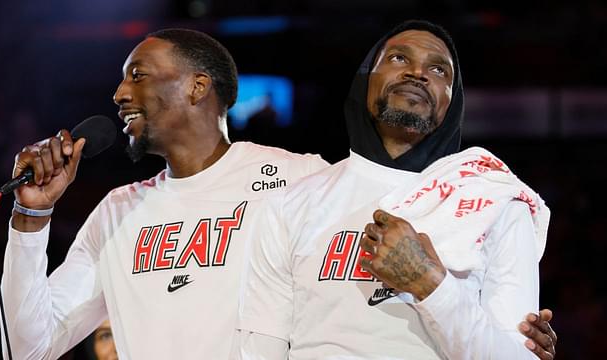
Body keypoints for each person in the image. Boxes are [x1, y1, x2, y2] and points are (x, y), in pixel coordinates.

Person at [0, 29, 328, 359]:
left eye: (137, 75)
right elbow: (27, 350)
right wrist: (31, 217)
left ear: (196, 87)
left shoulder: (298, 179)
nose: (119, 94)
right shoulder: (117, 212)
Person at [238, 20, 557, 359]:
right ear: (365, 80)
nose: (417, 73)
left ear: (454, 101)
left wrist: (430, 284)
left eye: (438, 69)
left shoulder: (498, 202)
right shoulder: (290, 204)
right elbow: (262, 348)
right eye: (398, 59)